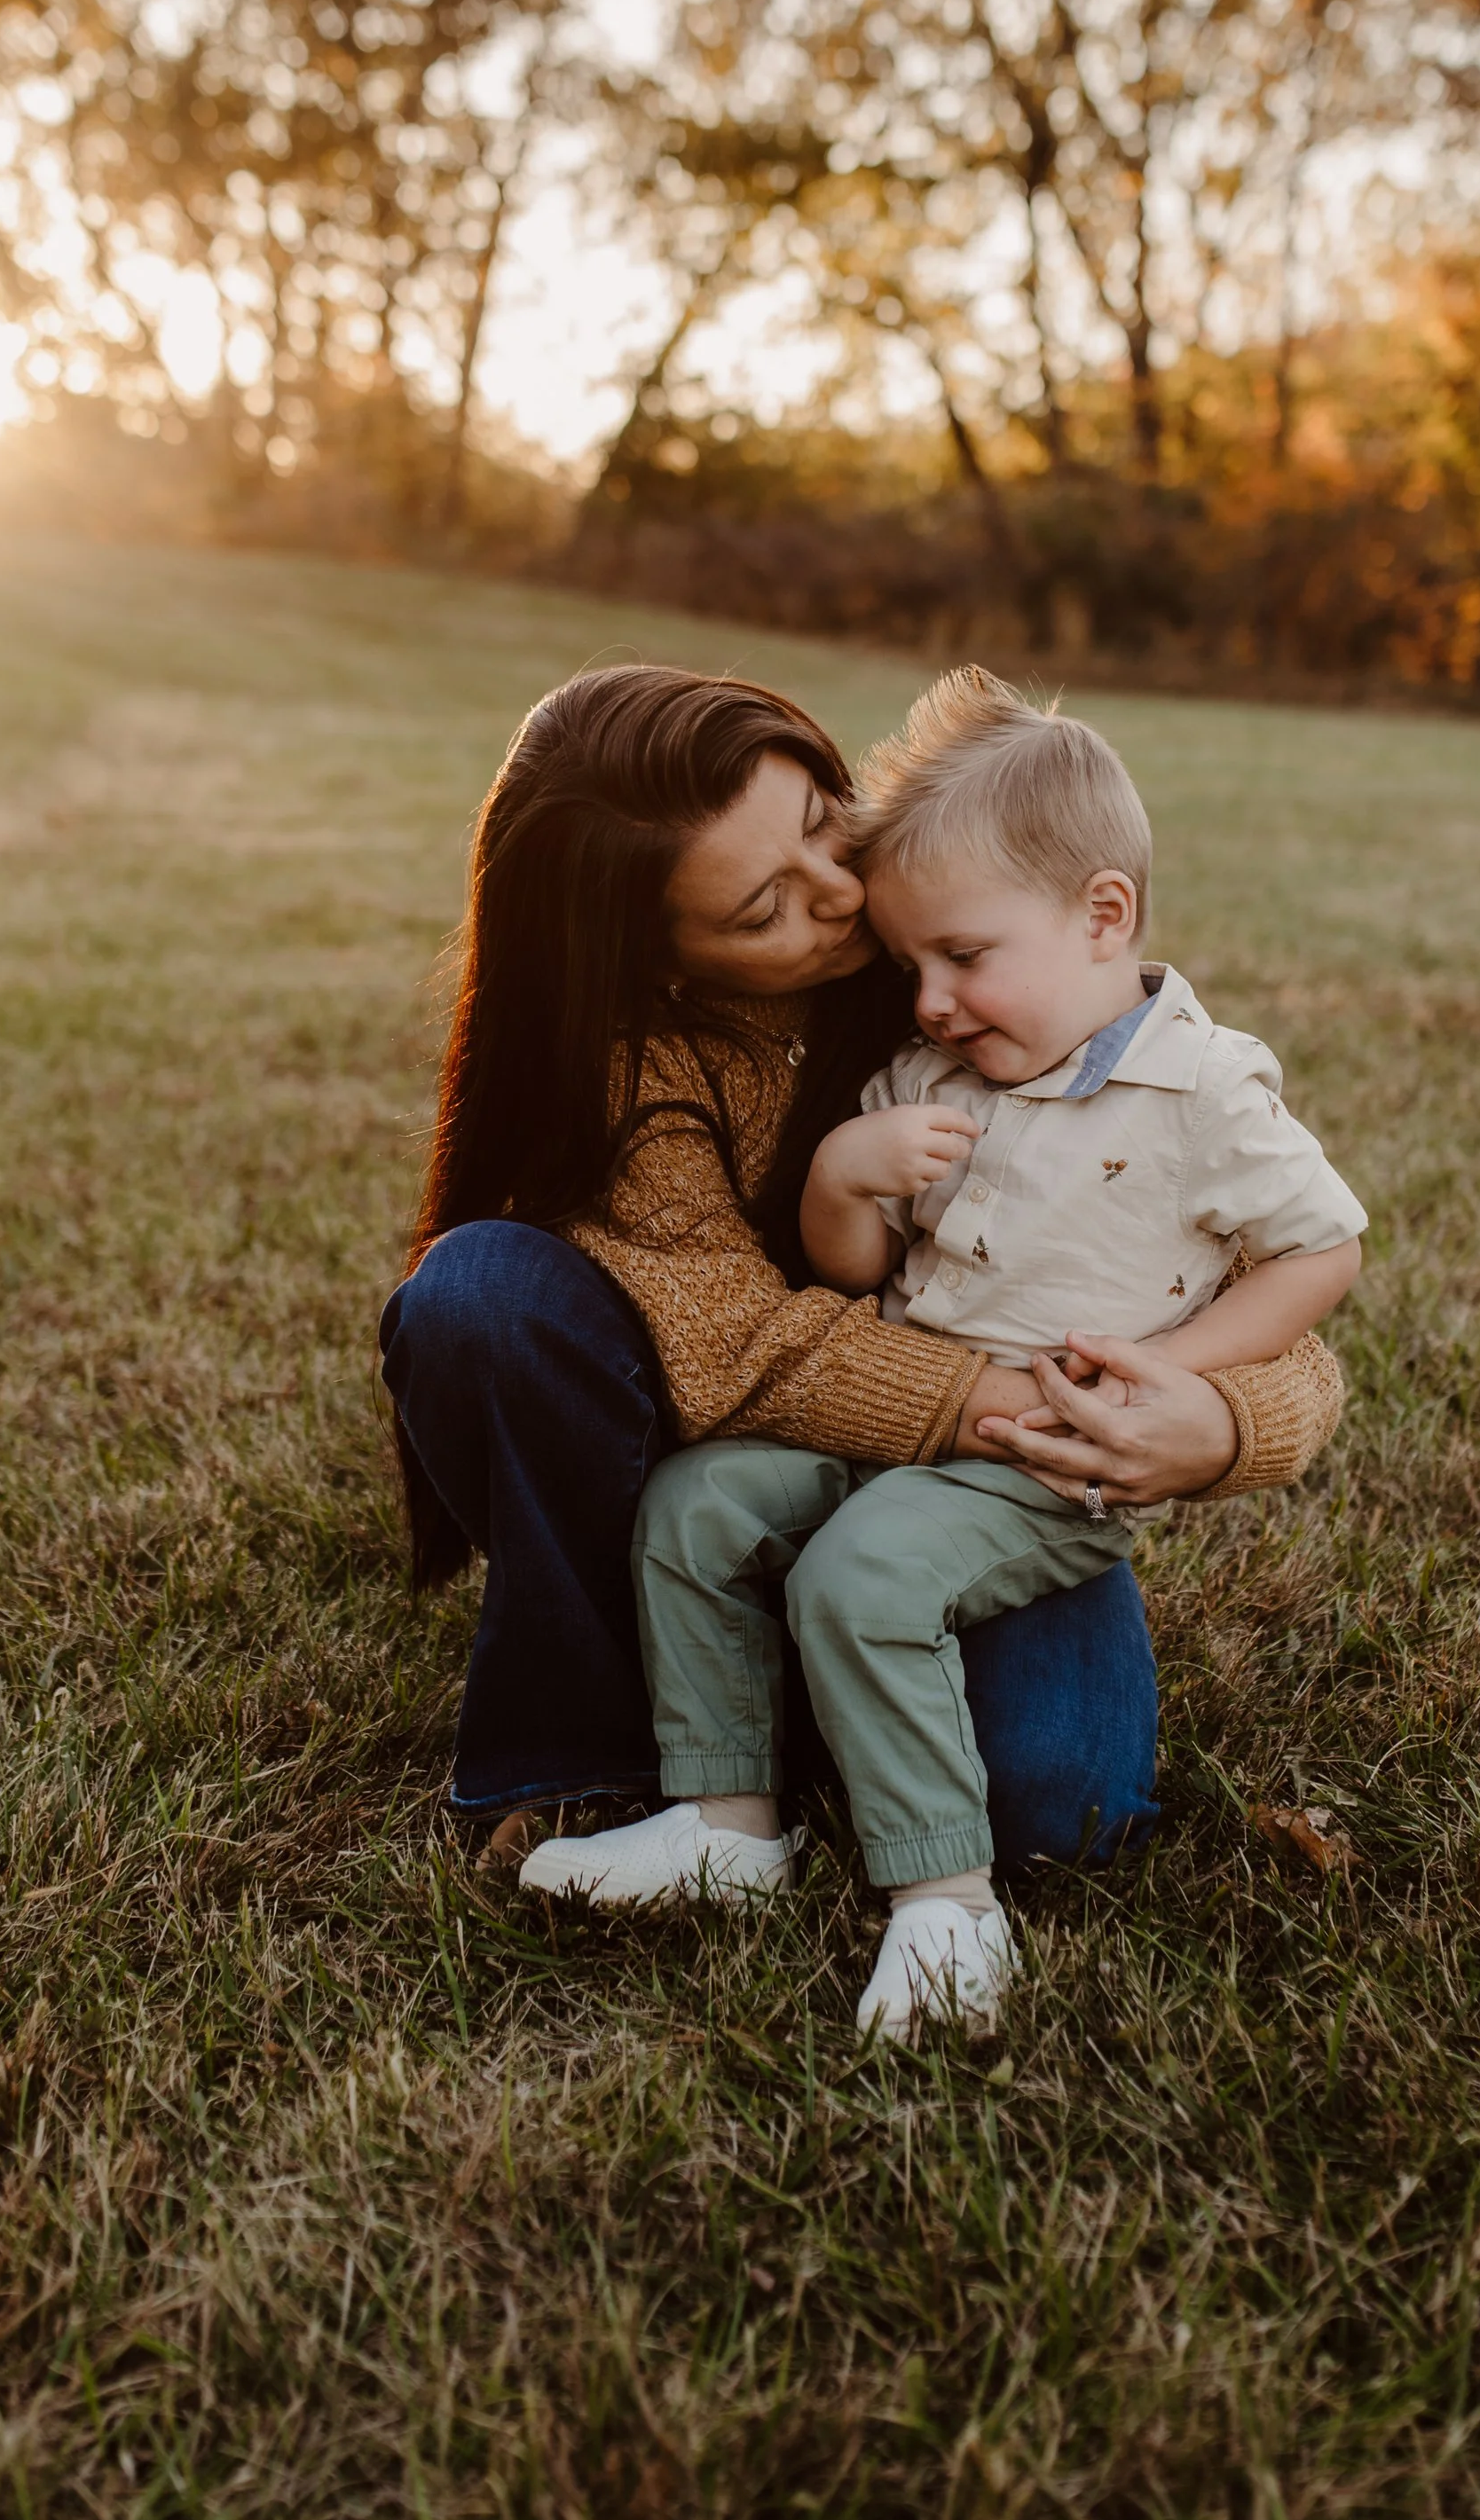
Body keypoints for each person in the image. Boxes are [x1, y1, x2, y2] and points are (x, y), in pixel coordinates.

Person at [379, 664, 1347, 1874]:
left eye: (822, 822)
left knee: (1063, 1819)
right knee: (483, 1299)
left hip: (970, 1491)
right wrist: (1041, 1404)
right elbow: (752, 1354)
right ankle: (613, 1743)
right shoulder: (646, 1069)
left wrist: (1211, 1423)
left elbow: (1270, 1289)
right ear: (661, 959)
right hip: (741, 1479)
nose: (844, 893)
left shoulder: (970, 953)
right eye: (762, 910)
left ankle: (825, 1697)